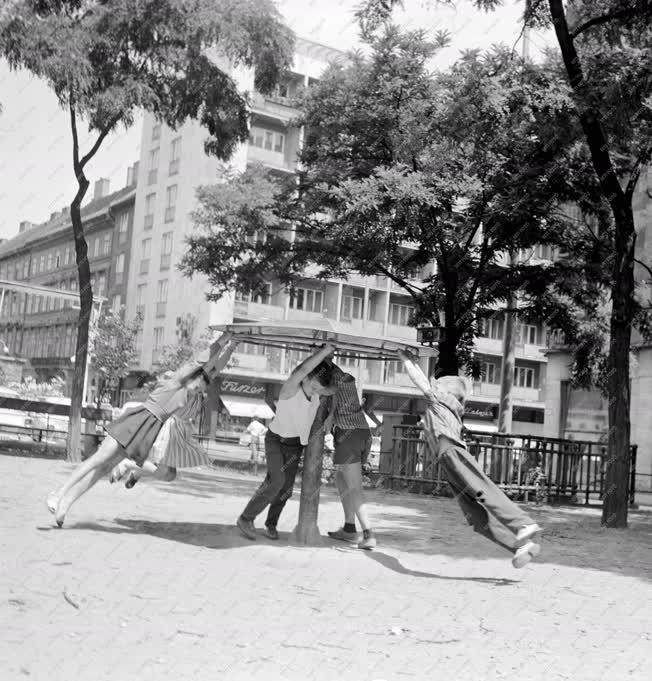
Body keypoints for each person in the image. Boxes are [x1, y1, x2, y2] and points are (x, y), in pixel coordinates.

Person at [45, 334, 237, 527]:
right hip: (138, 419)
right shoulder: (178, 381)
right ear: (192, 377)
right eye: (197, 386)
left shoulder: (191, 390)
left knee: (103, 469)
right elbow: (201, 360)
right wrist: (222, 340)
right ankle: (59, 493)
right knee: (98, 460)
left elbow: (214, 370)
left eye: (200, 390)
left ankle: (66, 505)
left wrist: (232, 347)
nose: (197, 391)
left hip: (149, 430)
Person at [398, 349, 543, 569]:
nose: (434, 387)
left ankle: (524, 523)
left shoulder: (441, 400)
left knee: (485, 490)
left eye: (438, 385)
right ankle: (519, 547)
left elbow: (419, 381)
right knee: (475, 518)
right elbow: (424, 383)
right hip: (447, 462)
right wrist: (413, 360)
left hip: (453, 454)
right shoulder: (447, 405)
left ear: (445, 391)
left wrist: (404, 359)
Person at [237, 343, 336, 541]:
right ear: (307, 377)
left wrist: (330, 416)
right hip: (275, 441)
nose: (315, 390)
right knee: (277, 481)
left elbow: (334, 388)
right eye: (313, 385)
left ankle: (271, 524)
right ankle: (245, 518)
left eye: (319, 389)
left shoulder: (317, 394)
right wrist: (324, 351)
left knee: (285, 490)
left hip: (295, 446)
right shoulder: (291, 388)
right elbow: (304, 369)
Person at [325, 361, 376, 550]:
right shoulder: (345, 378)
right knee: (341, 479)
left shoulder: (334, 378)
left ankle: (369, 534)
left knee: (355, 488)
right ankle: (349, 528)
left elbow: (330, 398)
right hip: (362, 433)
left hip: (349, 434)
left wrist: (328, 420)